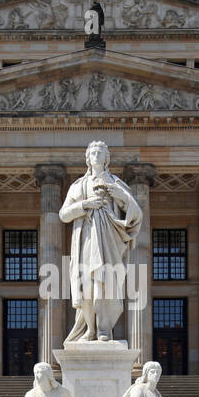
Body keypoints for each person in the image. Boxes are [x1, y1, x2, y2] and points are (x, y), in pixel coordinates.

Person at [58, 140, 142, 344]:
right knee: (85, 284)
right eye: (93, 152)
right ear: (88, 158)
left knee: (106, 284)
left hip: (109, 241)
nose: (96, 155)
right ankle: (90, 329)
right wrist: (85, 205)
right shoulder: (78, 186)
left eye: (100, 152)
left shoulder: (117, 184)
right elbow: (63, 214)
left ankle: (104, 328)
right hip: (85, 240)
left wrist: (120, 195)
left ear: (106, 159)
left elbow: (136, 213)